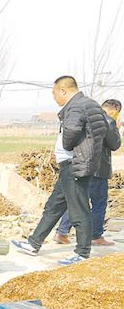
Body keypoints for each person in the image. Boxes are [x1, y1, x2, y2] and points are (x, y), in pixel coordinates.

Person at [12, 76, 115, 265]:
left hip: (74, 164)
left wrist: (68, 147)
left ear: (63, 91)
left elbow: (72, 132)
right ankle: (34, 243)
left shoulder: (76, 106)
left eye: (54, 93)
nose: (54, 97)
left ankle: (82, 253)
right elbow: (107, 136)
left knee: (79, 209)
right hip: (75, 163)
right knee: (55, 205)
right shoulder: (91, 104)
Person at [53, 98, 121, 246]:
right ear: (114, 111)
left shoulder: (87, 118)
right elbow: (114, 144)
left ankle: (61, 232)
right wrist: (116, 128)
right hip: (98, 171)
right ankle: (96, 236)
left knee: (77, 201)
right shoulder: (108, 121)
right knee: (98, 204)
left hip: (83, 166)